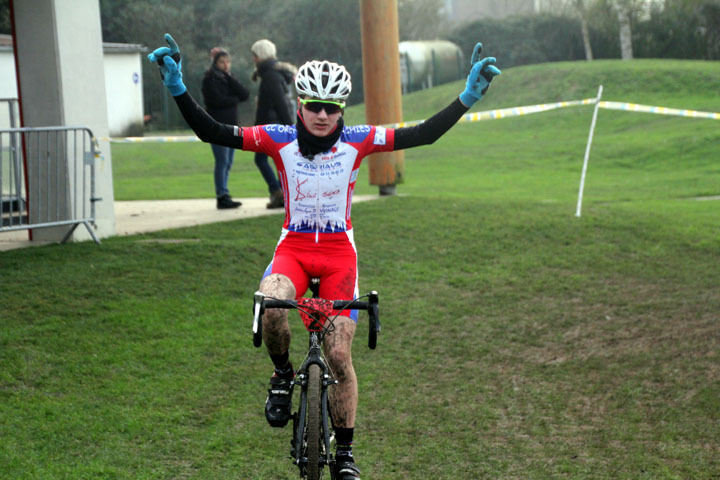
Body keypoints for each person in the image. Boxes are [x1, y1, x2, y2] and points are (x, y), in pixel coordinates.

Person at [149, 33, 500, 480]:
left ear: (342, 110)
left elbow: (422, 134)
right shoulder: (277, 139)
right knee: (272, 304)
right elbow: (212, 132)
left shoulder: (358, 139)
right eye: (314, 106)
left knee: (338, 353)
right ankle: (281, 375)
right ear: (300, 105)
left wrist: (468, 95)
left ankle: (347, 454)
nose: (322, 115)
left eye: (331, 108)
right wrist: (178, 86)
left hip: (338, 257)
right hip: (293, 250)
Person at [250, 39, 297, 209]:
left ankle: (278, 192)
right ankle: (282, 192)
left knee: (261, 159)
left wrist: (290, 127)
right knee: (277, 159)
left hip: (271, 125)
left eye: (255, 56)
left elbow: (280, 103)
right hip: (273, 124)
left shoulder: (270, 76)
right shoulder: (275, 74)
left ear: (261, 56)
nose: (253, 59)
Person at [201, 47, 250, 209]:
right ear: (215, 62)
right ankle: (221, 195)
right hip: (217, 126)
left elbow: (244, 94)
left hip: (232, 126)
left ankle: (225, 193)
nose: (226, 65)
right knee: (222, 161)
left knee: (228, 162)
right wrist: (234, 100)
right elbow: (216, 100)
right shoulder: (209, 79)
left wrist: (229, 78)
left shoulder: (228, 78)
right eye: (222, 62)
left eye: (228, 62)